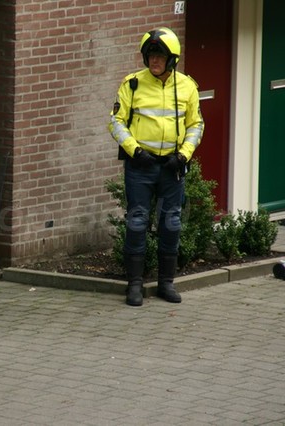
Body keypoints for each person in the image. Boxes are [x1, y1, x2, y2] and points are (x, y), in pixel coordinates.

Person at [108, 28, 204, 307]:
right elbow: (116, 122)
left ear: (172, 59)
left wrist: (184, 156)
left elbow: (196, 125)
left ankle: (166, 284)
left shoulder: (187, 86)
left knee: (171, 223)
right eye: (150, 55)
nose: (154, 60)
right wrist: (134, 151)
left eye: (160, 55)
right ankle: (135, 285)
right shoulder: (132, 84)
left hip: (171, 167)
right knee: (137, 222)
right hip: (141, 166)